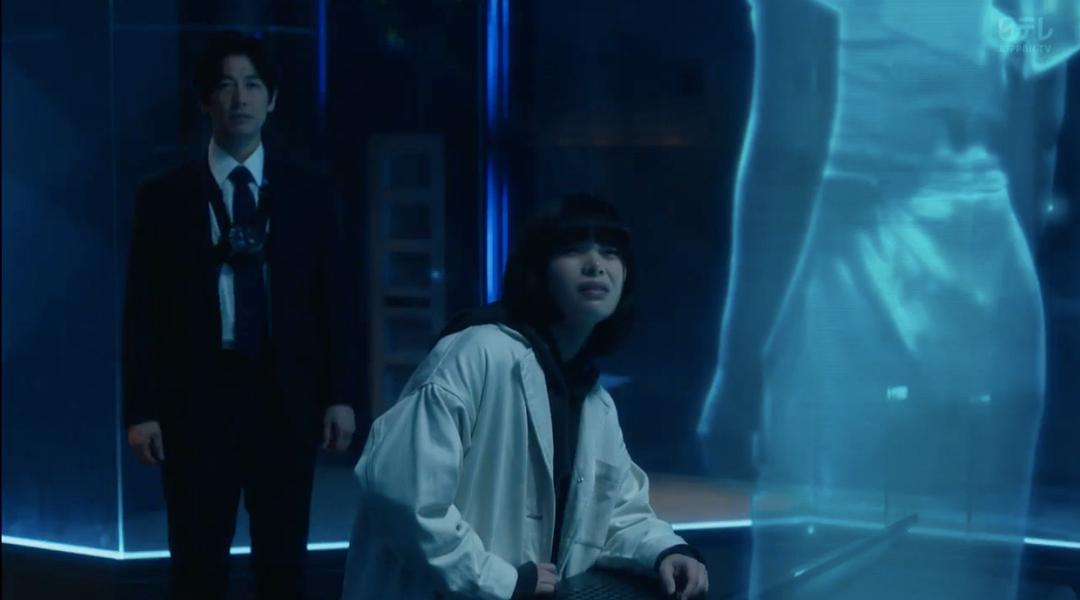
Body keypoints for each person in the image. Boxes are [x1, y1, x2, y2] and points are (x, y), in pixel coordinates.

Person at [697, 1, 1079, 598]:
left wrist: (739, 376)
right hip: (993, 282)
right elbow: (1041, 135)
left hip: (848, 279)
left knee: (829, 560)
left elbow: (789, 150)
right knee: (966, 566)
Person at [341, 194, 709, 599]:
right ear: (538, 268)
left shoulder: (594, 400)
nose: (596, 265)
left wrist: (666, 550)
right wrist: (499, 580)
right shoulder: (476, 352)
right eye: (573, 250)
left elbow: (617, 513)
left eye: (610, 252)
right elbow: (402, 495)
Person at [122, 31, 360, 600]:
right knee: (196, 561)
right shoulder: (164, 196)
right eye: (226, 85)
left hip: (286, 396)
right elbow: (141, 309)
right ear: (206, 99)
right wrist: (141, 410)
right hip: (197, 398)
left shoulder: (310, 191)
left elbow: (336, 300)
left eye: (253, 85)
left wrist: (340, 394)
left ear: (272, 99)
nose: (240, 98)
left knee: (284, 560)